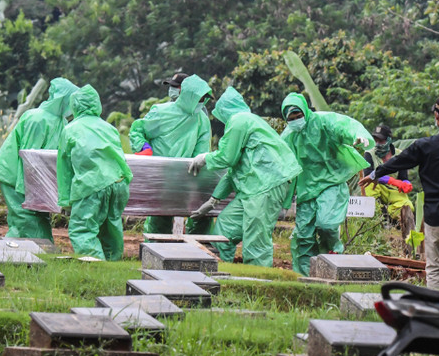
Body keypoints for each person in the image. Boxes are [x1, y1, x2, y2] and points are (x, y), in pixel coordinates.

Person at [360, 94, 439, 292]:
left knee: (434, 268)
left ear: (437, 116)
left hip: (434, 216)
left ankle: (434, 313)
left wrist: (375, 174)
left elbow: (398, 162)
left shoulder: (424, 146)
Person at [188, 87, 302, 267]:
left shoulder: (239, 120)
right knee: (225, 226)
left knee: (255, 238)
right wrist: (213, 200)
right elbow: (234, 170)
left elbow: (227, 157)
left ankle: (257, 281)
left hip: (266, 185)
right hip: (252, 188)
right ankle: (219, 269)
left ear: (224, 110)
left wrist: (205, 158)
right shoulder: (247, 122)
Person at [280, 93, 374, 276]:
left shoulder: (323, 121)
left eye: (298, 116)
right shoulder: (289, 136)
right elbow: (277, 157)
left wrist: (358, 136)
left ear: (305, 111)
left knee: (327, 225)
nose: (296, 121)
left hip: (331, 183)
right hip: (306, 190)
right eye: (291, 119)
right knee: (303, 235)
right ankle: (304, 275)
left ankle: (332, 258)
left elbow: (344, 127)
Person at [0, 77, 79, 242]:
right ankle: (14, 252)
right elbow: (28, 159)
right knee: (25, 217)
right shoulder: (37, 118)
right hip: (14, 176)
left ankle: (31, 250)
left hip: (34, 182)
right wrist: (29, 191)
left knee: (37, 218)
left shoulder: (61, 122)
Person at [128, 73, 213, 234]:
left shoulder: (202, 119)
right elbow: (138, 130)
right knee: (160, 217)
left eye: (204, 99)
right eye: (199, 98)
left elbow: (201, 151)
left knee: (199, 214)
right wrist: (143, 146)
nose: (202, 102)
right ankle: (154, 248)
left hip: (185, 173)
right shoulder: (161, 112)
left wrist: (197, 172)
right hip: (161, 173)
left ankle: (194, 248)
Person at [57, 84, 133, 261]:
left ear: (74, 106)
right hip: (119, 183)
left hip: (92, 185)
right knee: (111, 228)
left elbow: (65, 169)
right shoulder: (108, 128)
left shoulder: (70, 130)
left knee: (82, 229)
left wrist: (66, 201)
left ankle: (96, 264)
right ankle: (111, 264)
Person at [362, 124, 415, 241]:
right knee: (370, 185)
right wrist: (391, 180)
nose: (377, 143)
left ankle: (394, 219)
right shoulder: (369, 153)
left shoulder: (399, 154)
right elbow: (368, 176)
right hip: (377, 187)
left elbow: (403, 176)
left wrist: (406, 184)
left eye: (381, 140)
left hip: (393, 192)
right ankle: (376, 215)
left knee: (408, 205)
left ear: (389, 140)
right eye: (375, 140)